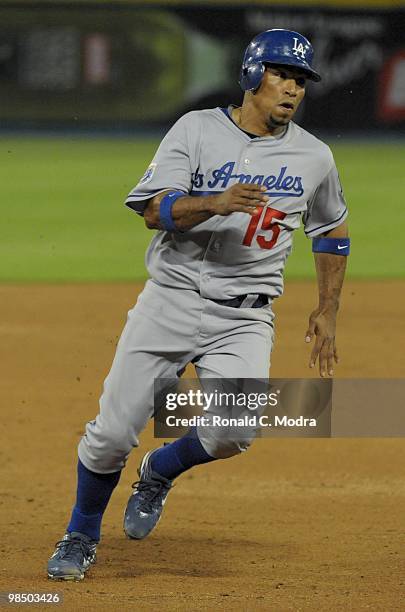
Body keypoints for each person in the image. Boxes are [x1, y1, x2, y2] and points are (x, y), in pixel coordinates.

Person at [47, 28, 349, 581]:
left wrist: (327, 309)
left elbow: (331, 231)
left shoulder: (314, 156)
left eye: (301, 79)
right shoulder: (196, 129)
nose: (292, 88)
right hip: (171, 300)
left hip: (244, 317)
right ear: (253, 75)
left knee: (234, 432)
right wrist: (215, 202)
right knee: (112, 434)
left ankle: (160, 468)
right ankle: (81, 533)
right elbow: (151, 210)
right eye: (281, 74)